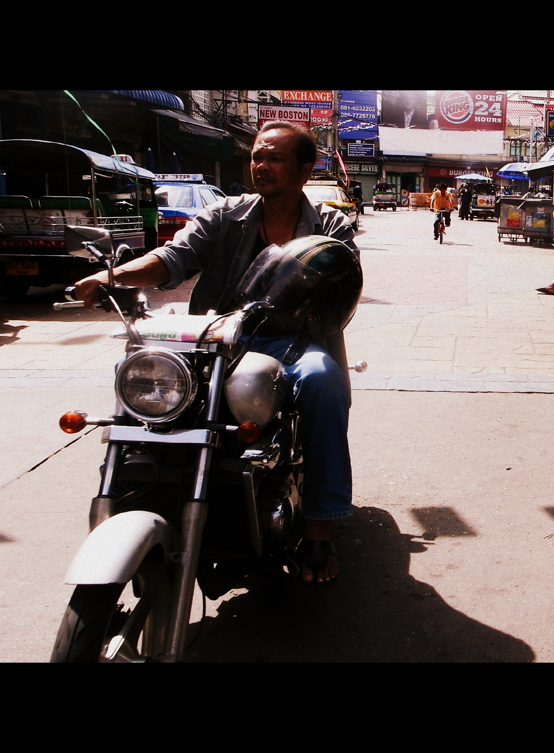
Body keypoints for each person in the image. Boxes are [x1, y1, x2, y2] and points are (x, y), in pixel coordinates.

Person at [72, 121, 358, 588]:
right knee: (143, 382)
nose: (261, 165)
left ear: (305, 170)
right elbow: (171, 258)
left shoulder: (328, 224)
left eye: (275, 158)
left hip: (291, 342)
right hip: (217, 338)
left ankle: (319, 528)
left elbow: (342, 282)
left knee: (324, 381)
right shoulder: (224, 215)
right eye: (257, 156)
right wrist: (113, 277)